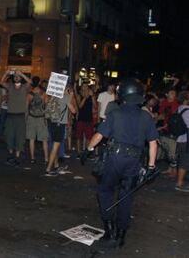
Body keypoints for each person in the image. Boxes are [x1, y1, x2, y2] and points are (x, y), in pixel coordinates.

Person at [84, 78, 158, 248]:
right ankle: (121, 234)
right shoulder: (146, 116)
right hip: (134, 161)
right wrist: (151, 167)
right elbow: (153, 142)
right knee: (126, 197)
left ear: (122, 94)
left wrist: (88, 148)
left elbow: (99, 136)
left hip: (114, 159)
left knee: (105, 192)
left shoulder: (115, 114)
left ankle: (109, 230)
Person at [0, 70, 32, 166]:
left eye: (18, 77)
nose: (16, 77)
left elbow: (30, 82)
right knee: (9, 136)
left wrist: (21, 73)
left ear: (21, 78)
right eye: (15, 76)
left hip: (20, 116)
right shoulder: (10, 86)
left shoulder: (24, 87)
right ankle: (11, 155)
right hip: (10, 116)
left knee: (20, 137)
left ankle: (17, 157)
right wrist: (6, 73)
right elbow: (1, 82)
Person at [45, 87, 77, 175]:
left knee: (55, 145)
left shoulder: (53, 96)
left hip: (51, 123)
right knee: (56, 146)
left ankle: (56, 164)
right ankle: (48, 169)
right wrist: (71, 96)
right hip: (60, 124)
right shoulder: (65, 97)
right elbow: (73, 110)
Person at [26, 76, 48, 164]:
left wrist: (25, 118)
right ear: (39, 82)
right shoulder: (43, 93)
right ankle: (46, 158)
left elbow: (26, 107)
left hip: (31, 117)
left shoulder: (29, 94)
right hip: (41, 118)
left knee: (31, 139)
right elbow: (46, 106)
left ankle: (32, 158)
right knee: (44, 139)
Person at [175, 91, 189, 192]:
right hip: (186, 140)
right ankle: (179, 184)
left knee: (183, 160)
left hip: (180, 139)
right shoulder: (187, 110)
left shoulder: (179, 108)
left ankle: (180, 182)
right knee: (185, 161)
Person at [76, 85, 95, 157]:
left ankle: (87, 152)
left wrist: (92, 96)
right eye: (83, 88)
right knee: (79, 137)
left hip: (89, 119)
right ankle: (78, 152)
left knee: (89, 137)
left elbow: (95, 106)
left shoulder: (91, 96)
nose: (85, 89)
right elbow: (80, 106)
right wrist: (84, 97)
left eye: (87, 88)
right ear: (81, 89)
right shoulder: (79, 96)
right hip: (81, 119)